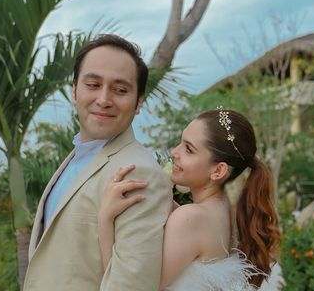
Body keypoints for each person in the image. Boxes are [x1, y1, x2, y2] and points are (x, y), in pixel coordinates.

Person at [24, 34, 172, 291]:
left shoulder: (139, 173)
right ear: (74, 91)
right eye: (93, 84)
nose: (104, 99)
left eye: (120, 90)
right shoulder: (79, 155)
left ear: (139, 103)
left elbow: (131, 285)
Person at [98, 107, 281, 290]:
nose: (174, 153)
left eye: (188, 149)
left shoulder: (191, 217)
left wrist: (105, 217)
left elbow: (129, 286)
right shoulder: (223, 209)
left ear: (218, 171)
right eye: (180, 143)